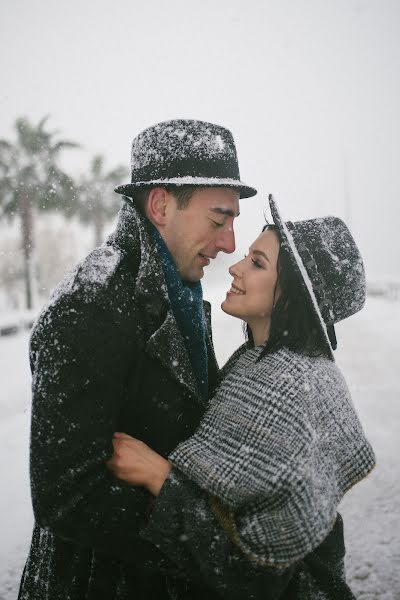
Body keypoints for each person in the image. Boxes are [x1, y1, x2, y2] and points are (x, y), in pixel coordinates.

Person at [18, 119, 259, 600]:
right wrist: (199, 541)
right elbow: (64, 496)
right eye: (218, 219)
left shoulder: (178, 296)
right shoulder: (93, 306)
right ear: (161, 205)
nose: (230, 242)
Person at [107, 195, 376, 599]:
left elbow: (256, 569)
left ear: (293, 296)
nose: (234, 266)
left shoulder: (292, 388)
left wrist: (159, 477)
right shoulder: (257, 361)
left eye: (257, 263)